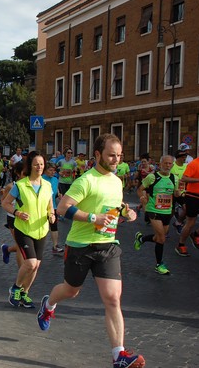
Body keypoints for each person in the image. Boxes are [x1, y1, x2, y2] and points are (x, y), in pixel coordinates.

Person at [36, 133, 145, 368]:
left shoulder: (117, 181)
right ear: (97, 155)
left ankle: (119, 355)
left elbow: (115, 207)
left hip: (107, 246)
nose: (116, 160)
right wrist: (94, 217)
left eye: (119, 156)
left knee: (113, 299)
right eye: (111, 155)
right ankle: (48, 305)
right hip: (80, 246)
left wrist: (126, 212)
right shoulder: (86, 180)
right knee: (70, 290)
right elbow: (63, 207)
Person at [2, 151, 55, 309]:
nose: (39, 167)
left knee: (36, 265)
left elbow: (50, 206)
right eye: (36, 164)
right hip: (23, 229)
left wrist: (51, 215)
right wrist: (17, 212)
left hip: (41, 230)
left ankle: (24, 293)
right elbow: (5, 203)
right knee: (30, 263)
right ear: (30, 166)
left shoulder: (47, 185)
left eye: (41, 164)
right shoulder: (20, 185)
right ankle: (16, 288)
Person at [134, 155, 181, 274]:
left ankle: (141, 238)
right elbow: (140, 189)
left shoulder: (174, 178)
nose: (167, 166)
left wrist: (178, 193)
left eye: (170, 164)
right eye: (165, 163)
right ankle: (159, 265)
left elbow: (176, 194)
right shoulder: (152, 177)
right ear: (160, 164)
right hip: (153, 210)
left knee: (159, 237)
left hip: (167, 211)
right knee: (161, 238)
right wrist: (142, 198)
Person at [43, 162, 63, 254]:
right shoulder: (41, 179)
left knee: (54, 226)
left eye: (54, 170)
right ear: (45, 170)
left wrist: (58, 194)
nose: (52, 172)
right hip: (41, 207)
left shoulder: (55, 179)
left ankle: (55, 246)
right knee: (41, 227)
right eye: (50, 170)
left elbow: (56, 190)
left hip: (53, 206)